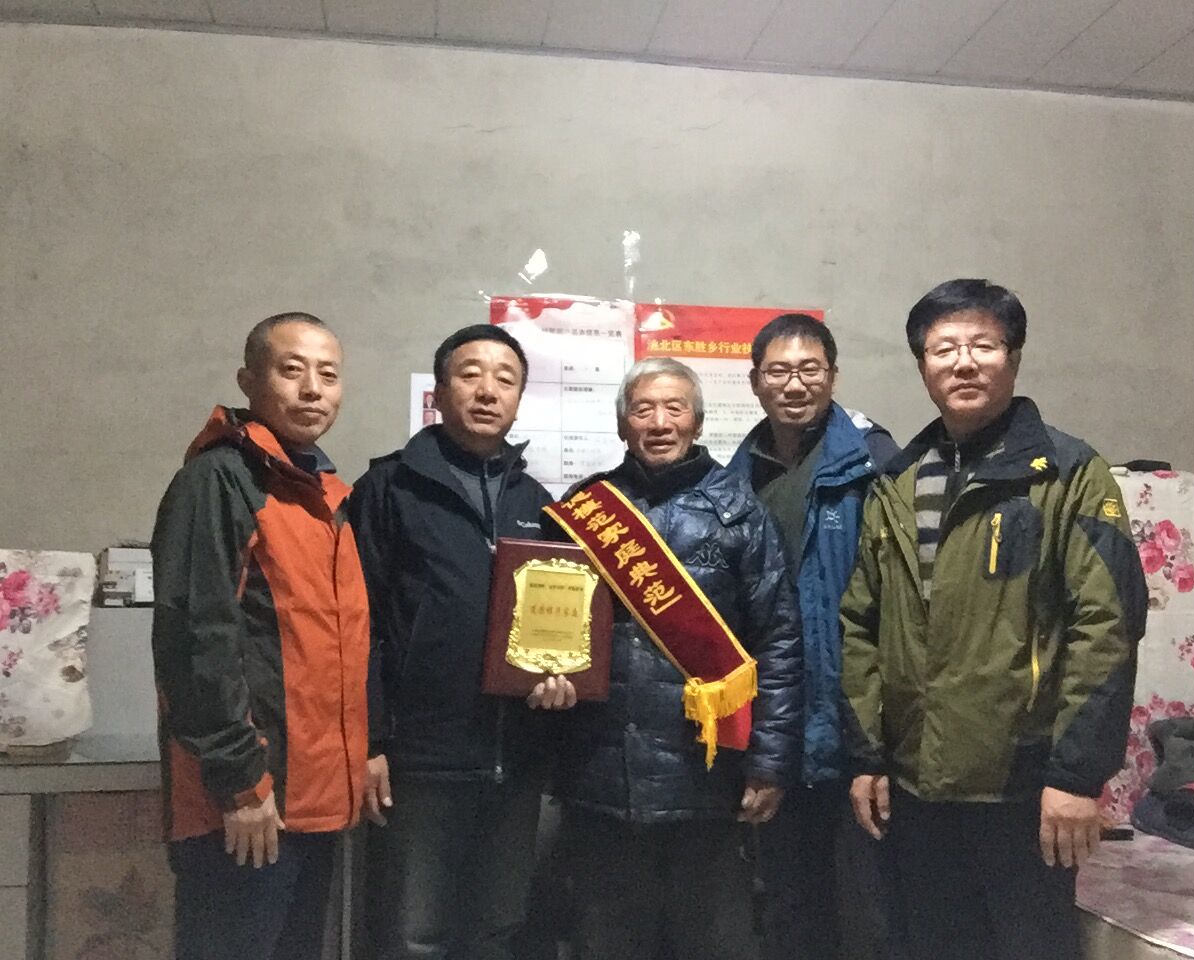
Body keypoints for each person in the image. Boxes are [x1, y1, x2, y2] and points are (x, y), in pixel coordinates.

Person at [840, 279, 1147, 960]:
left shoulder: (1068, 473)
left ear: (1014, 357)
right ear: (922, 365)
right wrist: (868, 756)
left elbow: (1107, 627)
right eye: (943, 348)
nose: (963, 362)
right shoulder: (896, 481)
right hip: (915, 784)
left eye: (983, 344)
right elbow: (861, 623)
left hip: (1025, 786)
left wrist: (1075, 777)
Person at [548, 357, 802, 960]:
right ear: (622, 425)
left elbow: (778, 641)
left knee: (704, 940)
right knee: (607, 940)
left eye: (674, 408)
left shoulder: (740, 512)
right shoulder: (585, 510)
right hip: (600, 775)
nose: (659, 423)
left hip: (704, 778)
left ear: (697, 422)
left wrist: (769, 765)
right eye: (643, 409)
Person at [151, 312, 373, 960]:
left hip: (310, 801)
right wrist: (241, 783)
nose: (312, 389)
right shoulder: (220, 480)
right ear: (249, 380)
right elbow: (197, 637)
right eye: (291, 370)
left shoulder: (322, 496)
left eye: (328, 375)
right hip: (248, 802)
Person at [349, 324, 574, 960]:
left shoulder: (538, 503)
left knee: (499, 930)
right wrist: (370, 742)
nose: (487, 391)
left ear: (520, 399)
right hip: (419, 759)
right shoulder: (389, 488)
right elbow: (359, 625)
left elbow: (560, 625)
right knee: (415, 934)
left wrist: (562, 677)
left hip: (515, 758)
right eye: (470, 374)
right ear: (440, 392)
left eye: (506, 379)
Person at [726, 313, 897, 960]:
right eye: (779, 371)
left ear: (833, 376)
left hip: (857, 731)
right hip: (776, 730)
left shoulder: (875, 466)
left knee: (867, 911)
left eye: (809, 369)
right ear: (755, 382)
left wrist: (879, 744)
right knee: (787, 904)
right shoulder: (735, 480)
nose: (794, 385)